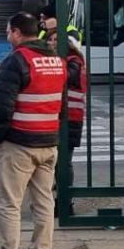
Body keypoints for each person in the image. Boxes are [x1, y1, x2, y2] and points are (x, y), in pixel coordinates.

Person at [0, 12, 67, 249]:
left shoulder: (16, 61)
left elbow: (4, 106)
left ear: (16, 33)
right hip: (48, 142)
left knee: (10, 203)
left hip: (19, 143)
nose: (7, 36)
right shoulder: (57, 61)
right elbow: (60, 102)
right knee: (44, 203)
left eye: (8, 32)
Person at [50, 28, 87, 218]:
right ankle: (60, 199)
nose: (53, 42)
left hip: (70, 117)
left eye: (57, 39)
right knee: (57, 162)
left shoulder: (74, 60)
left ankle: (66, 201)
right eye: (51, 39)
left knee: (64, 162)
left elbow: (69, 77)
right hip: (59, 116)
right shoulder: (63, 60)